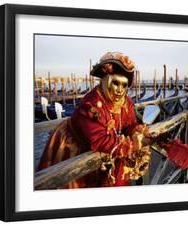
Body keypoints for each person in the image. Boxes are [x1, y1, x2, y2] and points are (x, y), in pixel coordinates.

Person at [38, 52, 151, 189]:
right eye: (116, 83)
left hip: (107, 152)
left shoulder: (126, 102)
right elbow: (97, 140)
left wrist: (135, 131)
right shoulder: (91, 104)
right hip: (76, 148)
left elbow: (129, 123)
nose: (120, 90)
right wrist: (132, 145)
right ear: (106, 80)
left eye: (124, 85)